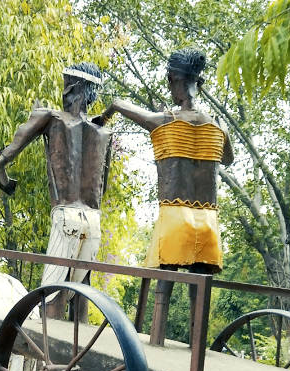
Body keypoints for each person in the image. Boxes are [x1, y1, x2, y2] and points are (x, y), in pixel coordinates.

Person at [97, 48, 233, 343]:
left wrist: (107, 113)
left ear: (173, 79)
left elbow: (120, 104)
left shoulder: (165, 121)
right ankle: (197, 352)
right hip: (208, 221)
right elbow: (228, 159)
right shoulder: (217, 126)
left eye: (169, 82)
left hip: (175, 215)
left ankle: (156, 341)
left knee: (163, 289)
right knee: (199, 291)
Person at [0, 63, 111, 318]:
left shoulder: (52, 118)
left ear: (73, 88)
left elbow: (3, 159)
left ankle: (50, 351)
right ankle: (80, 352)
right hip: (93, 219)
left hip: (66, 216)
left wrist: (5, 181)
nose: (63, 89)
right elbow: (103, 183)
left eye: (66, 83)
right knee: (81, 290)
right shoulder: (102, 131)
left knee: (54, 295)